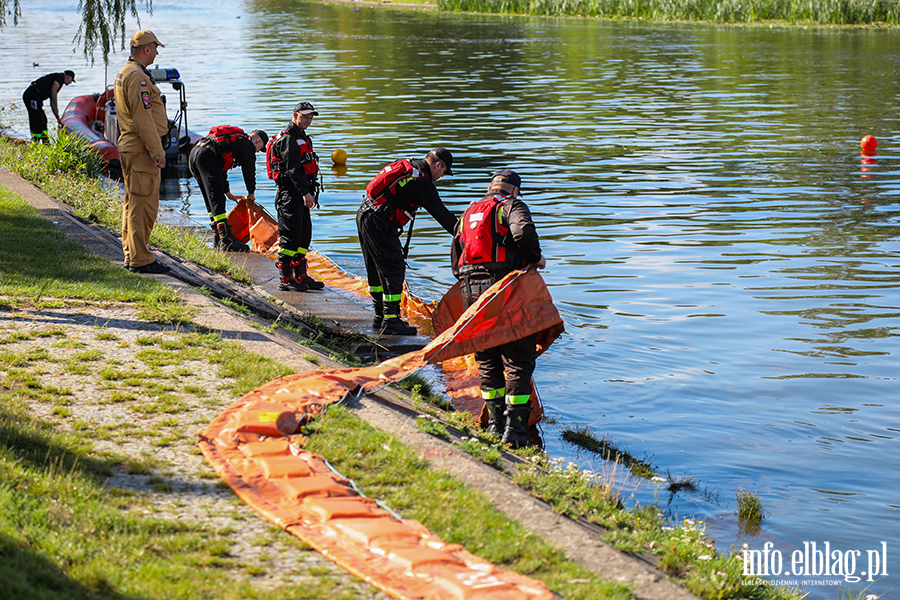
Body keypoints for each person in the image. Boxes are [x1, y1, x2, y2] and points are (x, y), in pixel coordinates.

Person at [450, 169, 546, 448]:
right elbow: (523, 231)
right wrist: (536, 258)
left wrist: (468, 278)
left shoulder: (468, 212)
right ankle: (515, 433)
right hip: (505, 288)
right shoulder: (511, 205)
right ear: (513, 189)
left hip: (472, 292)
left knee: (488, 356)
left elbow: (456, 257)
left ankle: (495, 425)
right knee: (518, 357)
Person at [357, 148, 457, 335]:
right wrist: (466, 234)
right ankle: (391, 321)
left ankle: (380, 316)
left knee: (375, 268)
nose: (441, 176)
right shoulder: (421, 181)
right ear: (437, 165)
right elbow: (442, 214)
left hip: (366, 214)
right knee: (394, 268)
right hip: (379, 222)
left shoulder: (409, 166)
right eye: (443, 172)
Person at [114, 30, 171, 274]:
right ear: (146, 49)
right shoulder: (137, 77)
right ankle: (140, 259)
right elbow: (142, 117)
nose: (157, 53)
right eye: (156, 48)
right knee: (143, 206)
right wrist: (157, 152)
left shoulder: (127, 72)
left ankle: (133, 254)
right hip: (141, 150)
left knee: (133, 203)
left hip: (132, 147)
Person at [267, 101, 324, 292]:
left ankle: (300, 274)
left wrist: (309, 193)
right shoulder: (287, 139)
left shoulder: (302, 136)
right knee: (290, 236)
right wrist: (305, 193)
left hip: (302, 193)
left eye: (310, 117)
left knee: (304, 235)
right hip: (290, 194)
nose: (308, 120)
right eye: (305, 117)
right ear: (295, 116)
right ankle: (285, 278)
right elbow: (294, 169)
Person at [188, 126, 268, 252]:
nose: (257, 152)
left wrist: (228, 193)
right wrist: (251, 193)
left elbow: (222, 168)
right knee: (216, 197)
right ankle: (226, 239)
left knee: (210, 196)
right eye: (259, 149)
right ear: (258, 141)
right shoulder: (247, 144)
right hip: (207, 156)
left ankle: (217, 236)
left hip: (195, 153)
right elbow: (249, 170)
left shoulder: (232, 142)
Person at [22, 70, 75, 142]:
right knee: (37, 118)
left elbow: (52, 101)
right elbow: (53, 91)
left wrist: (57, 116)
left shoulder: (58, 78)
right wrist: (56, 111)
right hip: (32, 96)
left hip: (36, 97)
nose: (70, 83)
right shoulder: (60, 78)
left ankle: (45, 141)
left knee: (43, 119)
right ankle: (35, 141)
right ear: (68, 77)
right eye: (71, 80)